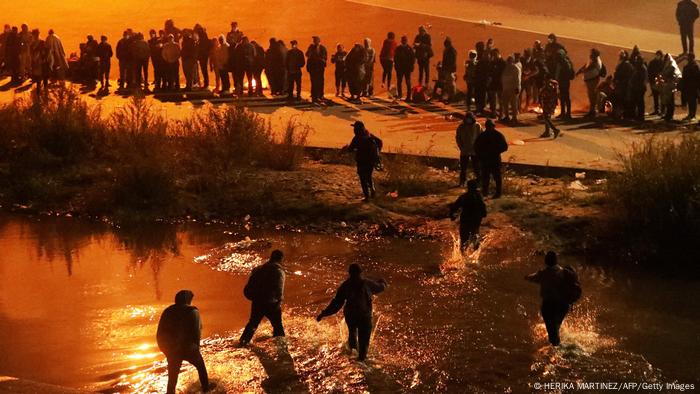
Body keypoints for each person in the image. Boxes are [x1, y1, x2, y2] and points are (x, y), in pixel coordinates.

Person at [316, 264, 387, 362]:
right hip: (364, 317)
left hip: (351, 316)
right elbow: (381, 287)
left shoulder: (345, 286)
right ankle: (362, 360)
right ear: (360, 273)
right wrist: (382, 281)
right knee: (364, 341)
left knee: (352, 334)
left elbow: (336, 305)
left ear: (349, 274)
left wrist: (323, 314)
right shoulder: (366, 283)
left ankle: (353, 355)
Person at [156, 290, 209, 394]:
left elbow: (160, 333)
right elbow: (196, 332)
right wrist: (196, 350)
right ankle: (206, 390)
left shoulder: (168, 311)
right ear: (188, 300)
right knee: (201, 367)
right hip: (188, 348)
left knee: (172, 379)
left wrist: (167, 351)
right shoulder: (192, 311)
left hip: (171, 349)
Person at [526, 252, 580, 346]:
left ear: (546, 261)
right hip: (563, 306)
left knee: (552, 333)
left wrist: (526, 276)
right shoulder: (564, 272)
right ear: (556, 261)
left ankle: (556, 351)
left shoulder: (543, 274)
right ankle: (558, 343)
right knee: (556, 326)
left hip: (549, 306)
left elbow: (531, 278)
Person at [239, 250, 286, 346]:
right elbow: (279, 289)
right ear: (281, 259)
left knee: (252, 323)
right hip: (271, 303)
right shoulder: (279, 271)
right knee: (277, 325)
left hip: (257, 301)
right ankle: (281, 347)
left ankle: (243, 342)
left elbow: (249, 287)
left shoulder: (259, 269)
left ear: (271, 257)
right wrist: (279, 302)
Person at [345, 121, 382, 201]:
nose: (354, 129)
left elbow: (350, 149)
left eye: (355, 128)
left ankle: (367, 197)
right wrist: (377, 152)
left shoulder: (357, 138)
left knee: (363, 178)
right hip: (371, 161)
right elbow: (380, 142)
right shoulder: (368, 135)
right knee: (368, 176)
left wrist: (346, 148)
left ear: (357, 129)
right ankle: (373, 191)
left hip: (362, 161)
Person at [449, 179, 487, 252]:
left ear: (468, 187)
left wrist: (452, 216)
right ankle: (475, 256)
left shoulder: (464, 197)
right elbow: (483, 207)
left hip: (465, 220)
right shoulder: (478, 196)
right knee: (475, 236)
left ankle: (463, 257)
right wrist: (483, 214)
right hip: (475, 220)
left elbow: (454, 207)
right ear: (476, 187)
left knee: (464, 240)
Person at [474, 119, 508, 198]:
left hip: (490, 159)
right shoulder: (496, 135)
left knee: (491, 177)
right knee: (491, 177)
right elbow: (476, 148)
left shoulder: (485, 135)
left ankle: (490, 192)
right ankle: (491, 192)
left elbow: (476, 148)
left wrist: (483, 155)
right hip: (491, 159)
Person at [456, 112, 482, 187]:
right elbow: (458, 138)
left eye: (469, 119)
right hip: (465, 150)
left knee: (476, 167)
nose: (468, 120)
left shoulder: (477, 126)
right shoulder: (461, 127)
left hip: (475, 150)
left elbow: (480, 136)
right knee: (463, 168)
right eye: (467, 119)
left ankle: (479, 181)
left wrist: (478, 147)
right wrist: (461, 147)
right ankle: (462, 181)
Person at [576, 49, 604, 117]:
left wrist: (582, 71)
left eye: (591, 53)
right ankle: (592, 111)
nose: (590, 54)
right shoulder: (592, 60)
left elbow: (589, 68)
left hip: (592, 80)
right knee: (591, 95)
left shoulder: (595, 61)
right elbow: (586, 65)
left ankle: (593, 111)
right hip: (590, 80)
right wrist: (580, 71)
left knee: (592, 96)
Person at [613, 50, 634, 119]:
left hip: (624, 85)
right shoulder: (622, 63)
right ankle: (621, 114)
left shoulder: (627, 64)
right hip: (620, 85)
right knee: (620, 99)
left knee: (624, 100)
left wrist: (620, 81)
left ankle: (626, 114)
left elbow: (628, 75)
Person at [306, 36, 328, 103]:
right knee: (314, 82)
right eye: (314, 40)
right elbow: (307, 54)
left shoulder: (322, 48)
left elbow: (325, 57)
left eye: (315, 40)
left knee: (320, 81)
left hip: (320, 67)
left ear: (319, 41)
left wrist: (319, 59)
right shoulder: (311, 47)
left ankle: (320, 95)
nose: (314, 41)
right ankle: (314, 96)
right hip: (312, 68)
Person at [500, 55, 521, 123]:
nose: (508, 62)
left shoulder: (515, 68)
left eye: (510, 60)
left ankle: (514, 118)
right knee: (505, 103)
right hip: (506, 88)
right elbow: (503, 77)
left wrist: (517, 87)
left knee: (513, 104)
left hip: (513, 88)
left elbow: (517, 79)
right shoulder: (506, 68)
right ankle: (507, 116)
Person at [394, 35, 415, 101]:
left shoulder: (399, 48)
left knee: (404, 82)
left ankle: (405, 96)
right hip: (403, 68)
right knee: (404, 82)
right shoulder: (409, 48)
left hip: (404, 68)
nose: (404, 41)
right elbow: (413, 59)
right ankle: (405, 96)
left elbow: (412, 59)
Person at [554, 50, 574, 120]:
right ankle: (564, 113)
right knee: (563, 98)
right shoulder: (564, 62)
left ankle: (567, 113)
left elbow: (561, 73)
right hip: (563, 82)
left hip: (564, 82)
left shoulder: (564, 63)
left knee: (565, 97)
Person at [29, 29, 49, 94]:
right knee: (42, 78)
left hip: (39, 63)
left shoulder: (35, 44)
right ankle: (43, 92)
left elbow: (46, 52)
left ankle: (40, 93)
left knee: (40, 79)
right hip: (40, 63)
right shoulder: (40, 42)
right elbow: (47, 52)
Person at [682, 52, 700, 120]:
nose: (688, 59)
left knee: (692, 101)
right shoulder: (688, 66)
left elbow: (697, 78)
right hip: (688, 87)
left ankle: (692, 115)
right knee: (690, 101)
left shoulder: (695, 66)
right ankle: (690, 114)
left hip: (693, 87)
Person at [488, 49, 506, 118]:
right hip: (493, 83)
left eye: (495, 54)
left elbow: (504, 73)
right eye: (493, 55)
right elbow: (489, 72)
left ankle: (501, 114)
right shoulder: (492, 62)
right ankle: (494, 113)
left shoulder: (503, 63)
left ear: (498, 54)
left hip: (500, 83)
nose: (494, 56)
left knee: (501, 99)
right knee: (493, 99)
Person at [648, 50, 665, 115]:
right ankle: (657, 110)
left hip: (660, 82)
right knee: (655, 97)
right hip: (654, 82)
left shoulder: (663, 63)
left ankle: (662, 111)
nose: (657, 56)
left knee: (661, 97)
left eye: (659, 55)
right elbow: (649, 72)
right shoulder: (653, 62)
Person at [441, 37, 458, 102]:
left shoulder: (451, 51)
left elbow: (452, 62)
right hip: (447, 69)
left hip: (450, 70)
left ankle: (452, 97)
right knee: (449, 84)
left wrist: (451, 70)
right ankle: (450, 97)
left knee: (451, 84)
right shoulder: (447, 50)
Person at [194, 24, 210, 90]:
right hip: (203, 55)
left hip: (202, 55)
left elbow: (201, 46)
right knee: (204, 69)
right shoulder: (203, 34)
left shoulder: (201, 35)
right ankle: (206, 84)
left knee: (204, 69)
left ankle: (206, 84)